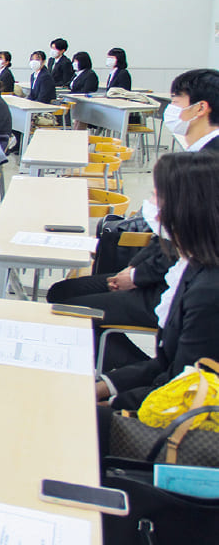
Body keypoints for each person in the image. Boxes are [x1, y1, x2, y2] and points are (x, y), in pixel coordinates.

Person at [49, 69, 219, 369]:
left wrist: (138, 275)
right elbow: (165, 236)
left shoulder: (208, 162)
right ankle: (133, 375)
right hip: (160, 268)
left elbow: (191, 241)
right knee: (62, 293)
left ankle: (133, 376)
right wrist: (133, 268)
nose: (170, 110)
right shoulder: (196, 152)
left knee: (68, 308)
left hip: (174, 282)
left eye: (176, 101)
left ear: (200, 108)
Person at [96, 152, 219, 458]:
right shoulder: (194, 264)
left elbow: (179, 387)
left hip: (186, 434)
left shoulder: (208, 292)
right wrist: (104, 385)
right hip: (172, 403)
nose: (151, 207)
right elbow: (165, 365)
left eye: (157, 197)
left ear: (185, 209)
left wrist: (111, 404)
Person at [164, 68, 219, 152]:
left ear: (200, 108)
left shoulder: (208, 157)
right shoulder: (201, 149)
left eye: (175, 101)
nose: (171, 108)